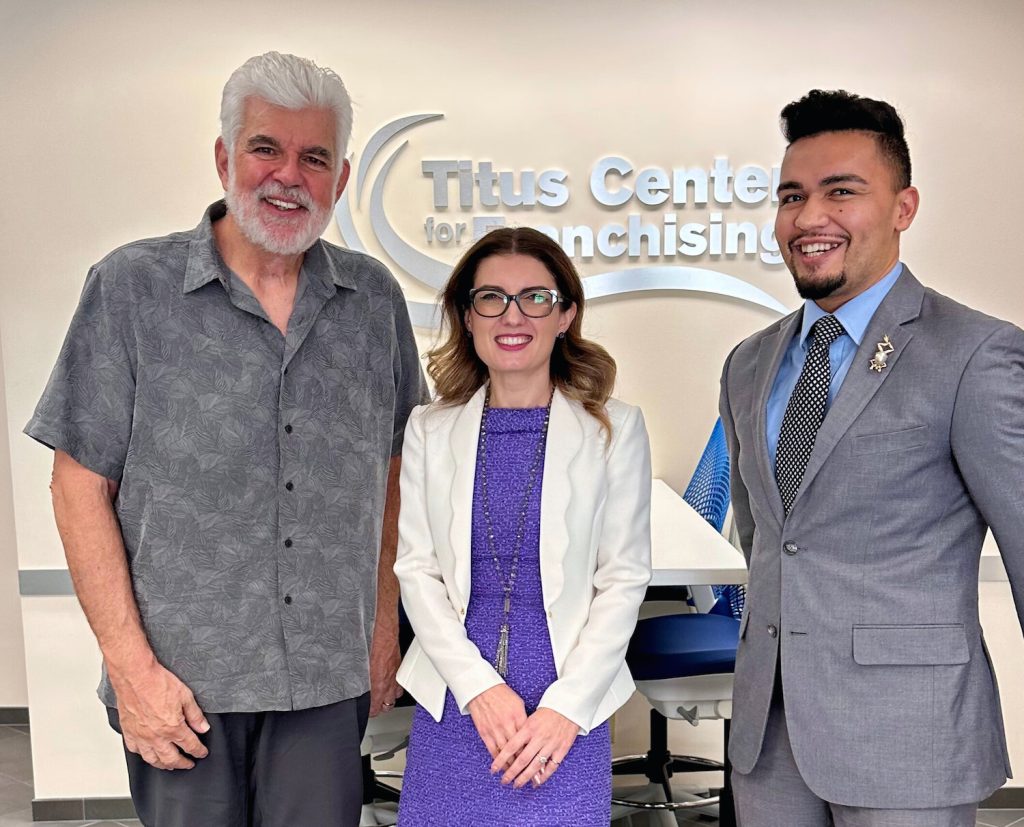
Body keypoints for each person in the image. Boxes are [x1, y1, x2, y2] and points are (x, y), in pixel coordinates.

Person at [25, 51, 427, 826]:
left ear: (341, 181)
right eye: (265, 148)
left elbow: (393, 471)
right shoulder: (130, 290)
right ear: (223, 159)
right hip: (181, 686)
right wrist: (131, 668)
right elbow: (79, 487)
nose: (289, 176)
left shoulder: (371, 300)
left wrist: (383, 629)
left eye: (315, 158)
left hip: (322, 677)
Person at [719, 89, 1024, 827]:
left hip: (908, 735)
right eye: (792, 195)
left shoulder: (973, 353)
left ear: (903, 207)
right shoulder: (749, 363)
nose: (809, 217)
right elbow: (768, 540)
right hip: (770, 735)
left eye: (842, 191)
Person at [393, 227, 652, 825]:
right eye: (492, 298)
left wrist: (567, 708)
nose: (513, 315)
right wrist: (478, 688)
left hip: (566, 697)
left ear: (566, 315)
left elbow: (623, 578)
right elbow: (417, 569)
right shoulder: (430, 428)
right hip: (458, 687)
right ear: (468, 314)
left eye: (536, 297)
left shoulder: (614, 428)